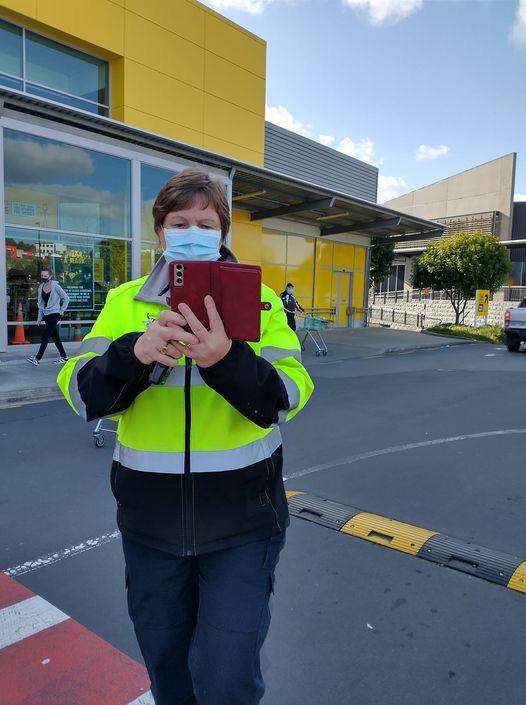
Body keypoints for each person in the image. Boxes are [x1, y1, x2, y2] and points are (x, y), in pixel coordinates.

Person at [57, 168, 314, 705]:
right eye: (180, 223)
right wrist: (136, 354)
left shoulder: (262, 302)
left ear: (221, 232)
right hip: (150, 528)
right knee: (168, 672)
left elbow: (288, 396)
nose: (193, 231)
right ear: (160, 233)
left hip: (244, 524)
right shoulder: (125, 301)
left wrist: (225, 360)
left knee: (226, 679)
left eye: (205, 222)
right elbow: (84, 394)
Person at [27, 268, 69, 365]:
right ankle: (64, 356)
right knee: (55, 337)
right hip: (46, 315)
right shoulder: (41, 287)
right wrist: (39, 317)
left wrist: (61, 311)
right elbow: (41, 304)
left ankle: (37, 358)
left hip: (54, 314)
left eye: (45, 276)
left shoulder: (56, 286)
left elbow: (66, 298)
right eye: (42, 276)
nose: (43, 278)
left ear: (50, 276)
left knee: (45, 336)